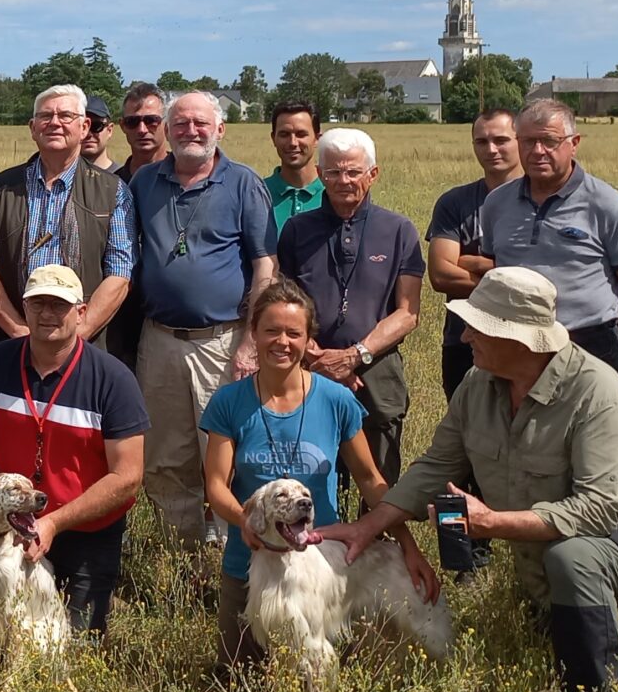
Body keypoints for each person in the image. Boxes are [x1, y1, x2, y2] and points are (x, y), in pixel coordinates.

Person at [323, 267, 618, 692]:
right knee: (548, 645)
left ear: (518, 340)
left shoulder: (597, 393)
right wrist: (367, 527)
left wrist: (492, 524)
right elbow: (436, 466)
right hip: (544, 552)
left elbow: (598, 510)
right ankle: (602, 666)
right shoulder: (478, 387)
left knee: (572, 565)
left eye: (478, 328)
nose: (464, 338)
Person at [201, 279, 434, 674]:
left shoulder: (336, 399)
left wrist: (407, 544)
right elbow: (215, 485)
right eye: (271, 330)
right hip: (249, 563)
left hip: (324, 568)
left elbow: (369, 478)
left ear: (310, 340)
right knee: (237, 682)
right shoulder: (229, 402)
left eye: (294, 333)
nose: (282, 342)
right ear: (253, 333)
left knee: (329, 666)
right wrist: (244, 519)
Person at [0, 264, 147, 635]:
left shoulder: (114, 379)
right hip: (4, 517)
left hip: (79, 527)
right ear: (25, 307)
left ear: (81, 313)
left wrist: (52, 524)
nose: (47, 314)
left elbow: (128, 478)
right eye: (38, 304)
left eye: (59, 305)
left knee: (73, 646)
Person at [128, 89, 276, 558]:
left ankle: (229, 549)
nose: (192, 131)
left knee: (223, 449)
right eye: (181, 124)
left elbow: (264, 266)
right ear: (167, 131)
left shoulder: (243, 184)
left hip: (224, 340)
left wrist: (250, 343)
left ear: (220, 129)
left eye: (201, 123)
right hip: (160, 340)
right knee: (166, 454)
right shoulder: (145, 183)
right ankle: (183, 553)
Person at [273, 127, 424, 482]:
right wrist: (318, 358)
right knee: (311, 468)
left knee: (380, 472)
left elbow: (408, 312)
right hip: (308, 365)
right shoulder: (296, 230)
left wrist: (354, 356)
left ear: (373, 174)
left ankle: (380, 535)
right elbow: (283, 302)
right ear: (321, 173)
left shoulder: (399, 230)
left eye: (354, 171)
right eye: (334, 171)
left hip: (378, 367)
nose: (344, 180)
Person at [472, 99, 618, 377]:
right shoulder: (496, 204)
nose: (537, 151)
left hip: (586, 345)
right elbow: (496, 272)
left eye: (549, 141)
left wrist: (607, 341)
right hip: (514, 345)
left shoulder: (606, 204)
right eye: (528, 141)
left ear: (574, 142)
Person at [0, 83, 133, 350]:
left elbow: (121, 270)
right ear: (33, 128)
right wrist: (16, 330)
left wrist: (78, 334)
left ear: (84, 127)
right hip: (11, 346)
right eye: (46, 116)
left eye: (66, 116)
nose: (55, 123)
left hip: (85, 348)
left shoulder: (113, 190)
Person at [426, 107, 520, 400]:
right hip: (463, 341)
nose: (491, 149)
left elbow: (548, 274)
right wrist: (512, 279)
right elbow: (441, 274)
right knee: (465, 436)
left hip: (523, 341)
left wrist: (474, 262)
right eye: (482, 141)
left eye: (501, 140)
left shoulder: (539, 201)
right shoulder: (455, 203)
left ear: (521, 140)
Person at [105, 81, 172, 373]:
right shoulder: (109, 185)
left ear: (165, 124)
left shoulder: (184, 179)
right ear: (122, 126)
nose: (142, 129)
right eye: (133, 122)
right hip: (118, 319)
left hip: (166, 318)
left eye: (151, 120)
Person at [265, 100, 324, 232]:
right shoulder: (256, 194)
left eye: (301, 134)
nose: (292, 142)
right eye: (284, 134)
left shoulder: (335, 192)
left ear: (317, 138)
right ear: (273, 138)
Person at [82, 94, 119, 171]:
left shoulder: (122, 178)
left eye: (97, 126)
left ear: (109, 130)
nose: (88, 134)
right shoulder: (59, 177)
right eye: (83, 127)